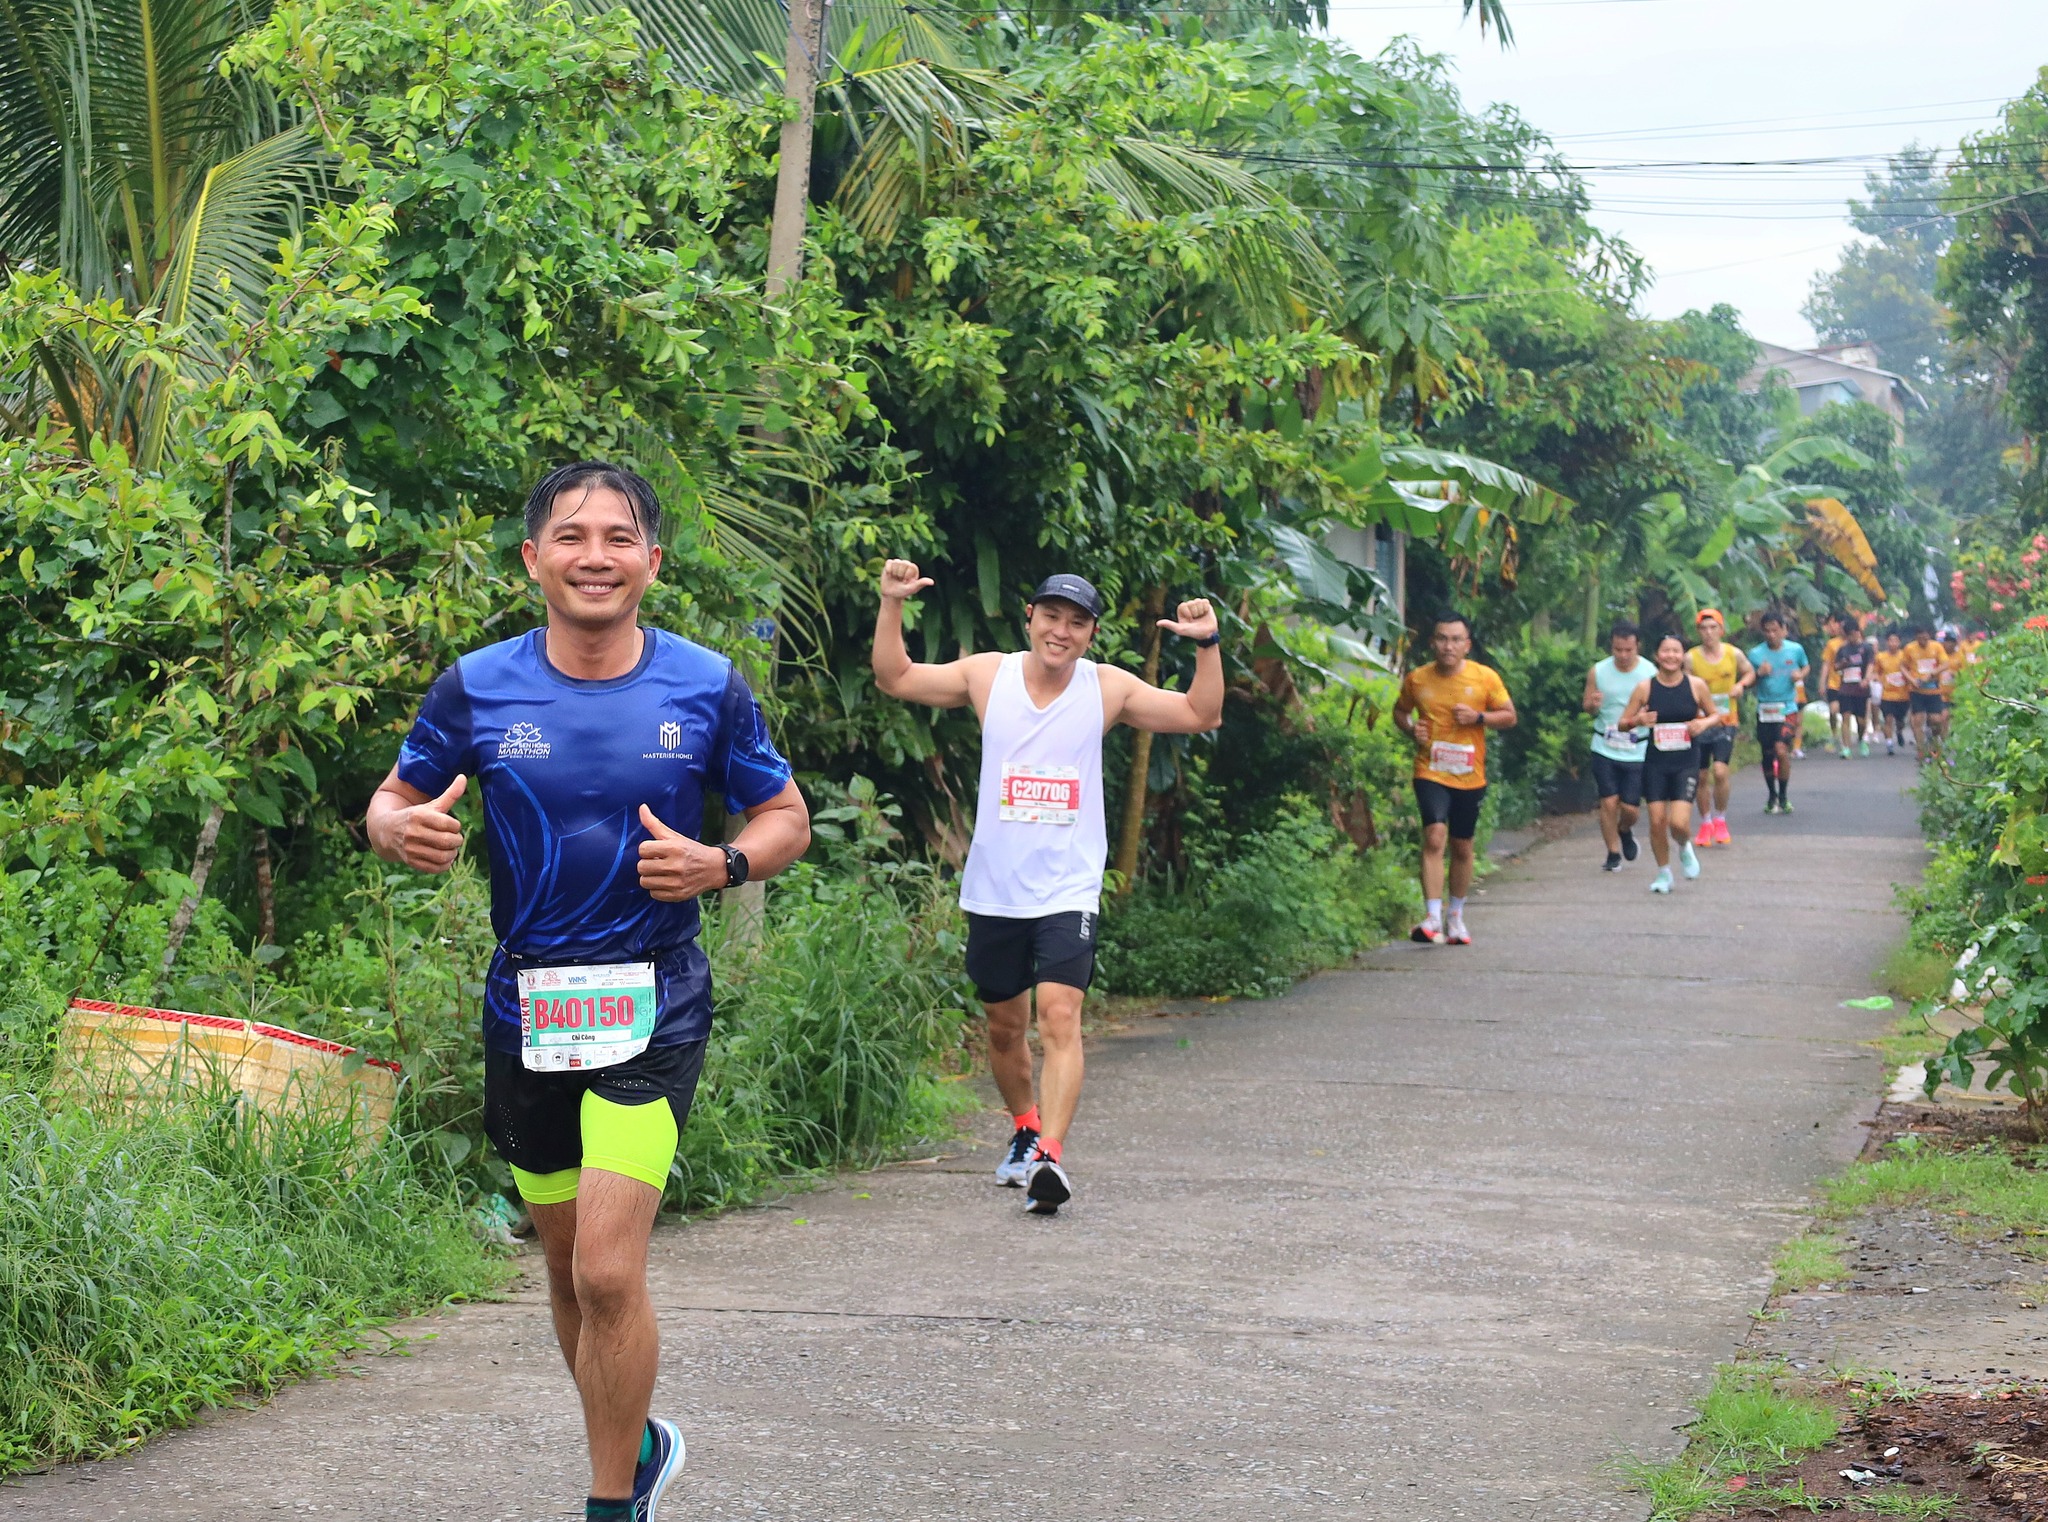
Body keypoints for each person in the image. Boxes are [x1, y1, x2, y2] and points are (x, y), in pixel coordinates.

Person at [367, 462, 813, 1522]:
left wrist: (725, 864)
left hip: (654, 1001)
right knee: (568, 1273)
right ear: (533, 560)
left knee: (610, 1272)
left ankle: (610, 1504)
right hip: (526, 1008)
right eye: (572, 535)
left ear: (651, 563)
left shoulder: (704, 685)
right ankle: (641, 1441)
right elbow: (392, 797)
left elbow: (783, 814)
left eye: (619, 537)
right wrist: (395, 825)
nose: (596, 554)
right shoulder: (475, 687)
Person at [871, 560, 1223, 1215]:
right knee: (1005, 1030)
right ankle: (1026, 1128)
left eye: (1077, 622)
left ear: (1091, 634)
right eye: (1052, 616)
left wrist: (1207, 645)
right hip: (995, 888)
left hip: (1068, 887)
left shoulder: (1107, 688)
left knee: (1061, 1017)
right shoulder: (986, 675)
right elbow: (896, 676)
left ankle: (1051, 1158)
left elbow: (1201, 712)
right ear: (1030, 618)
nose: (1062, 631)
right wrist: (892, 604)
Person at [1393, 610, 1516, 945]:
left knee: (1463, 846)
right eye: (1442, 638)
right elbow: (1400, 711)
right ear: (1433, 642)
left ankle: (1456, 916)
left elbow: (1509, 716)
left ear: (1467, 645)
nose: (1448, 646)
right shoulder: (1418, 678)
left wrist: (1479, 717)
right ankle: (1432, 916)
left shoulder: (1485, 678)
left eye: (1456, 639)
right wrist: (1410, 728)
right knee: (1435, 835)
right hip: (1430, 770)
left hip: (1469, 775)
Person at [1618, 631, 1719, 893]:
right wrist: (1638, 721)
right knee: (1656, 821)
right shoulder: (1645, 687)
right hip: (1655, 763)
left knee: (1679, 824)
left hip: (1686, 761)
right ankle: (1664, 873)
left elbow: (1716, 715)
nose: (1671, 656)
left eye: (1676, 651)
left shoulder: (1696, 685)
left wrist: (1702, 723)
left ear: (1683, 655)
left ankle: (1684, 847)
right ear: (1656, 656)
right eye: (1666, 651)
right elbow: (1622, 722)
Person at [1581, 620, 1647, 872]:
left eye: (1628, 650)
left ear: (1637, 646)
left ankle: (1624, 829)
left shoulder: (1650, 673)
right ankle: (1612, 853)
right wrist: (1593, 705)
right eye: (1617, 649)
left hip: (1637, 749)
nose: (1622, 655)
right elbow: (1586, 706)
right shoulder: (1598, 671)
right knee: (1608, 802)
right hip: (1604, 746)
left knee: (1630, 808)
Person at [1686, 608, 1753, 846]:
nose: (1709, 633)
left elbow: (1749, 672)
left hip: (1726, 721)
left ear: (1721, 630)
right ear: (1698, 632)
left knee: (1721, 771)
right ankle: (1705, 822)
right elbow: (1684, 686)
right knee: (1701, 776)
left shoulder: (1733, 654)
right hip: (1702, 722)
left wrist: (1741, 685)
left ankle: (1721, 818)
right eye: (1704, 628)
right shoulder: (1691, 658)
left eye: (1713, 628)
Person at [1747, 611, 1809, 814]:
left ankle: (1783, 795)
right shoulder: (1755, 654)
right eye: (1767, 631)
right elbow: (1747, 681)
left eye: (1775, 630)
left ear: (1784, 630)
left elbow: (1805, 666)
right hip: (1765, 709)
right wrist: (1758, 674)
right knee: (1767, 754)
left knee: (1781, 750)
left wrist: (1800, 675)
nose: (1772, 635)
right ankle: (1771, 795)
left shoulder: (1795, 650)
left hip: (1787, 708)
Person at [1831, 615, 1875, 759]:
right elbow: (1836, 666)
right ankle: (1846, 748)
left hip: (1861, 689)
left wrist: (1866, 679)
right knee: (1845, 716)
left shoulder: (1867, 648)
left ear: (1857, 632)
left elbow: (1870, 665)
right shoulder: (1842, 649)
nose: (1849, 638)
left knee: (1861, 720)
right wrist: (1842, 664)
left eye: (1851, 634)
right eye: (1846, 635)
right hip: (1845, 689)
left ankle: (1862, 739)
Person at [1903, 622, 1947, 758]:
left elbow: (1945, 663)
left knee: (1936, 720)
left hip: (1933, 690)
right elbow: (1903, 667)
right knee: (1918, 719)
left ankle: (1934, 742)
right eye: (1920, 638)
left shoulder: (1937, 647)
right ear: (1916, 637)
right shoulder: (1909, 648)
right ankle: (1921, 750)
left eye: (1926, 637)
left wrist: (1933, 673)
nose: (1923, 640)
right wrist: (1911, 680)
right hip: (1917, 690)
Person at [1873, 630, 1910, 755]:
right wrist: (1879, 680)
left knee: (1900, 721)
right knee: (1888, 719)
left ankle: (1899, 732)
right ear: (1886, 642)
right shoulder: (1880, 657)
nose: (1893, 643)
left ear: (1899, 642)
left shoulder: (1905, 656)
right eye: (1890, 641)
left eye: (1895, 641)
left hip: (1903, 695)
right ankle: (1889, 743)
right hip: (1887, 694)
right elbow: (1876, 672)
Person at [1818, 614, 1846, 755]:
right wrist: (1822, 682)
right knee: (1834, 710)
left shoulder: (1856, 643)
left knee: (1847, 713)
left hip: (1850, 684)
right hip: (1834, 683)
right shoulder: (1832, 644)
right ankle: (1834, 734)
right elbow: (1826, 664)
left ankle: (1846, 739)